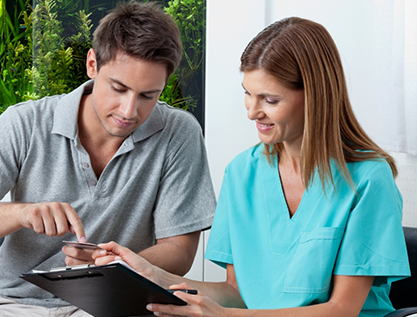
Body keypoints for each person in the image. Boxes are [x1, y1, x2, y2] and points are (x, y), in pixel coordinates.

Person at [90, 17, 411, 317]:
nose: (252, 112)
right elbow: (236, 293)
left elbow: (341, 309)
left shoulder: (368, 179)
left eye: (270, 100)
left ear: (315, 96)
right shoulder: (242, 173)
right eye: (248, 94)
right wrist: (151, 274)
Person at [0, 1, 216, 316]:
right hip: (15, 306)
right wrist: (21, 214)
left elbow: (180, 250)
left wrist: (121, 264)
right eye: (118, 88)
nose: (129, 111)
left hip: (114, 308)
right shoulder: (25, 123)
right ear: (92, 64)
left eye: (148, 95)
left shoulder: (179, 132)